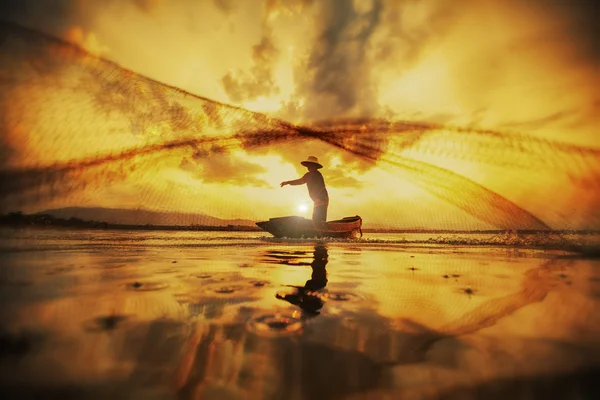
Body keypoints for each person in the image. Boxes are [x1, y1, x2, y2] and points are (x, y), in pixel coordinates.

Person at [280, 156, 329, 224]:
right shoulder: (308, 175)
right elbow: (300, 181)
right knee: (316, 218)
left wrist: (320, 199)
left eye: (311, 165)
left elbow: (321, 187)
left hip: (322, 198)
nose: (308, 167)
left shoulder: (318, 175)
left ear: (315, 166)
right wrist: (287, 182)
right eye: (308, 165)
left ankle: (322, 231)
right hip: (317, 199)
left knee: (319, 218)